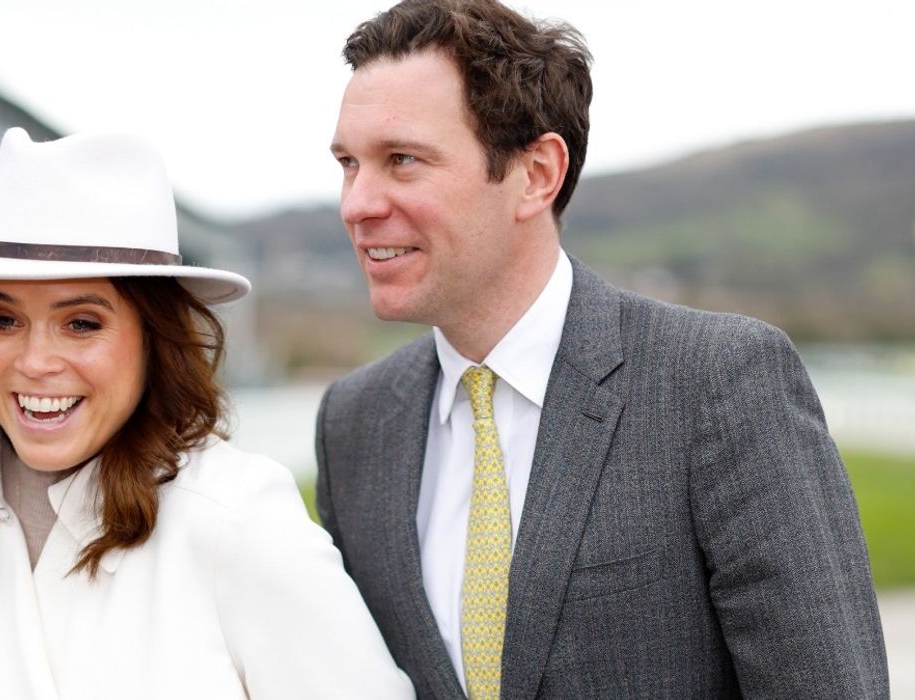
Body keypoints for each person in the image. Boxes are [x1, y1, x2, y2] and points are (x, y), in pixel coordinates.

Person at [315, 1, 889, 697]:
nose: (356, 203)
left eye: (401, 160)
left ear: (535, 174)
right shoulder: (353, 421)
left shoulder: (715, 381)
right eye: (349, 163)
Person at [0, 127, 414, 699]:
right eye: (2, 319)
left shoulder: (239, 522)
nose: (35, 361)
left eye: (81, 323)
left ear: (153, 338)